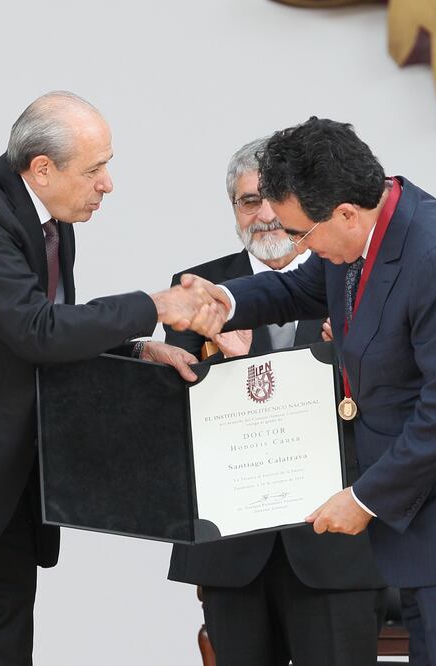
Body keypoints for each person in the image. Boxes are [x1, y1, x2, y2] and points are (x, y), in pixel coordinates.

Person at [0, 91, 226, 666]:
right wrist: (155, 305)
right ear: (42, 168)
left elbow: (44, 329)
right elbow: (35, 329)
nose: (108, 184)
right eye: (95, 169)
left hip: (11, 485)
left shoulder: (54, 221)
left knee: (4, 652)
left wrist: (135, 350)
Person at [186, 117, 436, 666]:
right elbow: (295, 288)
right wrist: (221, 302)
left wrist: (363, 499)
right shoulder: (361, 233)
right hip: (418, 528)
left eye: (300, 234)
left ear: (345, 214)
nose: (297, 246)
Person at [165, 138, 385, 666]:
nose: (264, 215)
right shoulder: (202, 291)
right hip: (234, 549)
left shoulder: (357, 276)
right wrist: (226, 368)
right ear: (233, 209)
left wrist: (351, 355)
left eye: (273, 200)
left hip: (335, 547)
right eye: (248, 202)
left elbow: (395, 397)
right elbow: (176, 411)